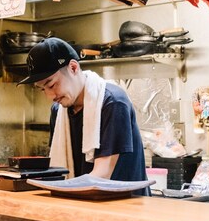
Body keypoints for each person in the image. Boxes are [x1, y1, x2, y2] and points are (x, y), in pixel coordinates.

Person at [18, 38, 149, 195]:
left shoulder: (112, 102)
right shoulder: (58, 110)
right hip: (82, 202)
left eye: (52, 85)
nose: (50, 96)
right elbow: (58, 170)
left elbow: (102, 175)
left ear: (73, 68)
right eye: (42, 89)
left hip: (126, 204)